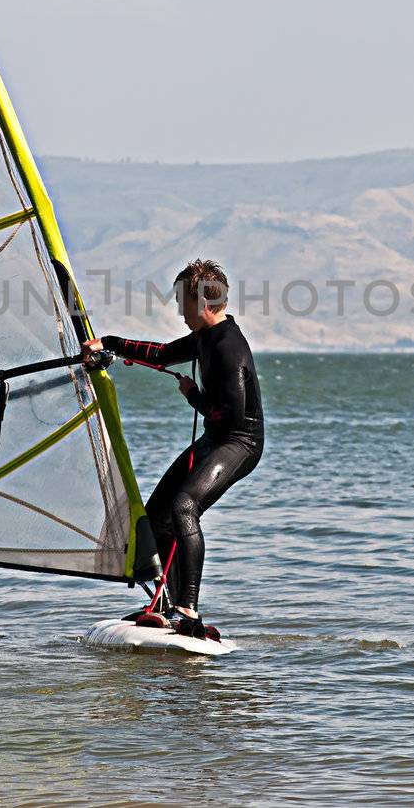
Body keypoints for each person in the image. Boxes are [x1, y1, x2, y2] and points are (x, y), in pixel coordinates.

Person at [81, 259, 263, 640]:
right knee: (158, 514)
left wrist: (193, 395)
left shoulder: (229, 347)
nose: (179, 311)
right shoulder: (204, 339)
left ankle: (187, 609)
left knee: (184, 506)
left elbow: (233, 416)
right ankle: (164, 606)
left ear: (203, 303)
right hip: (216, 438)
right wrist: (109, 343)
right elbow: (162, 354)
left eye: (183, 302)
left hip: (239, 442)